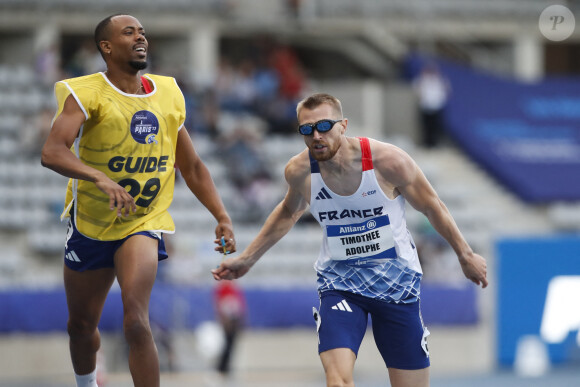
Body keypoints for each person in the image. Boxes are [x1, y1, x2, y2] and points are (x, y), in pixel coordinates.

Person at [212, 93, 488, 387]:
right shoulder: (299, 171)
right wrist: (247, 258)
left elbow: (432, 205)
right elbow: (288, 212)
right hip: (340, 286)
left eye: (324, 126)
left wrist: (465, 255)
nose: (316, 136)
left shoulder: (388, 161)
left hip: (397, 286)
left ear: (343, 125)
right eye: (307, 130)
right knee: (338, 381)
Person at [40, 14, 236, 387]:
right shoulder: (86, 93)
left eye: (143, 31)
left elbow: (191, 166)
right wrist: (99, 178)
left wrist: (221, 214)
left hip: (142, 221)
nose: (140, 36)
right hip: (92, 225)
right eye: (129, 32)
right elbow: (52, 152)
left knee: (136, 320)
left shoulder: (167, 93)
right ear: (107, 47)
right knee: (80, 327)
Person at [412, 62, 451, 148]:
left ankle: (434, 143)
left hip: (436, 107)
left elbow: (446, 92)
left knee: (435, 127)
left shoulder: (440, 81)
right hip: (425, 106)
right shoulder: (422, 81)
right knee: (426, 126)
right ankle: (426, 143)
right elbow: (417, 91)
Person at [213, 280, 247, 377]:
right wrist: (223, 320)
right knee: (227, 344)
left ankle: (226, 366)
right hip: (227, 318)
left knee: (231, 343)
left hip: (234, 318)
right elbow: (220, 303)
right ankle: (222, 367)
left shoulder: (233, 287)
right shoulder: (223, 287)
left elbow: (239, 304)